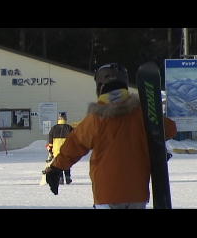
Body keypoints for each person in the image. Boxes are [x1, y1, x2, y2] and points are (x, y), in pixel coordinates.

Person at [45, 63, 177, 209]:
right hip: (137, 192)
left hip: (106, 193)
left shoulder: (95, 118)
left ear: (99, 85)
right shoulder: (142, 113)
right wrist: (152, 110)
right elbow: (170, 129)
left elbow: (74, 145)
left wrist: (56, 168)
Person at [47, 112, 74, 185]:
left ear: (58, 119)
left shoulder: (53, 128)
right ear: (65, 118)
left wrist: (50, 149)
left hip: (56, 149)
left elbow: (50, 140)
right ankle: (68, 178)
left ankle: (60, 178)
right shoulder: (69, 128)